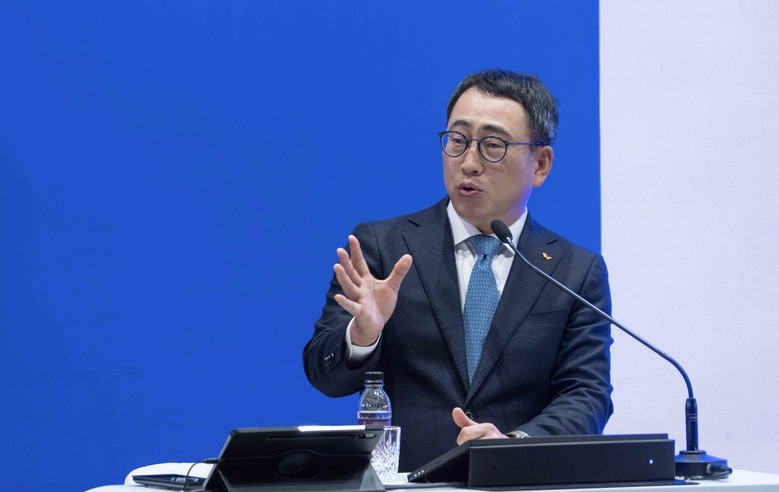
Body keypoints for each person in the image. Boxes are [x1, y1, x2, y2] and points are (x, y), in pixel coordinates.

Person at [303, 69, 613, 472]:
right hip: (407, 484)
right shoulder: (383, 248)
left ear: (540, 164)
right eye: (458, 140)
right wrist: (362, 337)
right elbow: (324, 377)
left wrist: (513, 446)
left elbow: (587, 395)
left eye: (493, 145)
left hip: (517, 483)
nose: (468, 163)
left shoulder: (575, 271)